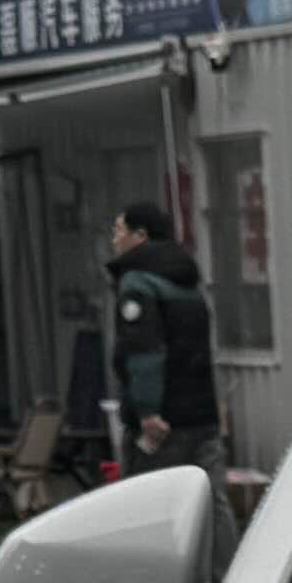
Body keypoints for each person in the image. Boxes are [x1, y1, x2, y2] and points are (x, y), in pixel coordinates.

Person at [106, 202, 220, 471]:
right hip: (202, 416)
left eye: (119, 231)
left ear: (140, 235)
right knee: (205, 492)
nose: (114, 240)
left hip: (162, 424)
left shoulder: (138, 282)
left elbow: (144, 349)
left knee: (150, 493)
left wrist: (148, 411)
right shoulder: (187, 278)